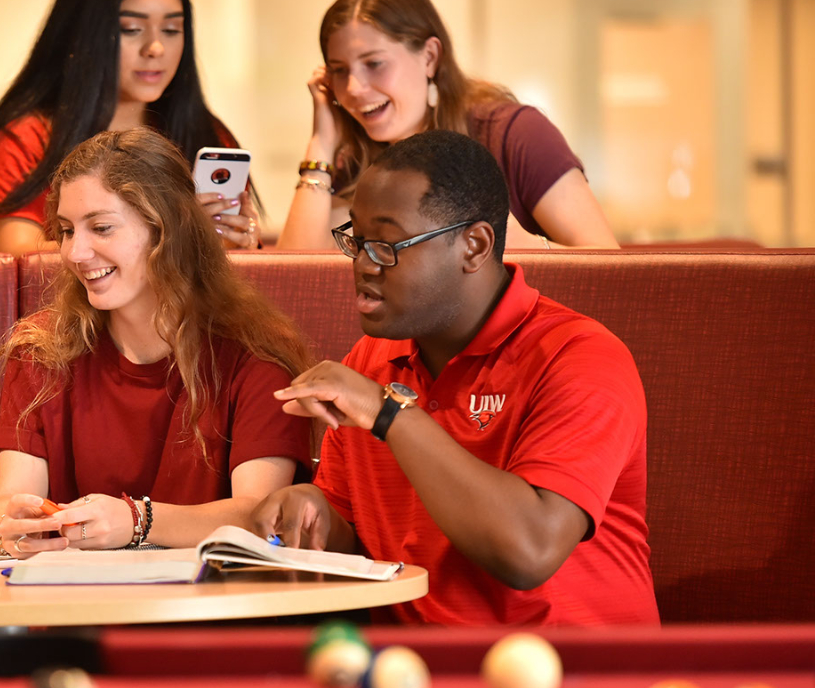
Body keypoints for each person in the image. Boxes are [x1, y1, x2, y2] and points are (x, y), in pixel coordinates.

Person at [253, 130, 656, 625]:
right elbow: (352, 527)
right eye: (357, 240)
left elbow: (530, 550)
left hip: (579, 677)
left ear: (474, 245)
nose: (362, 263)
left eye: (386, 244)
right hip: (419, 672)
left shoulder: (580, 357)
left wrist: (389, 415)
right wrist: (310, 509)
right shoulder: (371, 360)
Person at [0, 127, 312, 558]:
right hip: (70, 609)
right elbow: (3, 511)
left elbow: (260, 515)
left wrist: (138, 520)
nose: (76, 253)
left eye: (101, 227)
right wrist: (15, 531)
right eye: (65, 230)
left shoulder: (256, 354)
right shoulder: (41, 351)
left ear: (167, 230)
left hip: (207, 609)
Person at [277, 0, 617, 250]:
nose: (353, 88)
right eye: (339, 70)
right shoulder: (353, 158)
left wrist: (516, 244)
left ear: (429, 57)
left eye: (374, 63)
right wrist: (320, 144)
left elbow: (607, 267)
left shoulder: (515, 133)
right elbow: (301, 281)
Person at [0, 0, 259, 256]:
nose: (155, 48)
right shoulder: (29, 136)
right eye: (131, 29)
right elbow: (19, 258)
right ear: (82, 34)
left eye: (171, 30)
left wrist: (241, 245)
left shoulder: (205, 134)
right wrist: (170, 236)